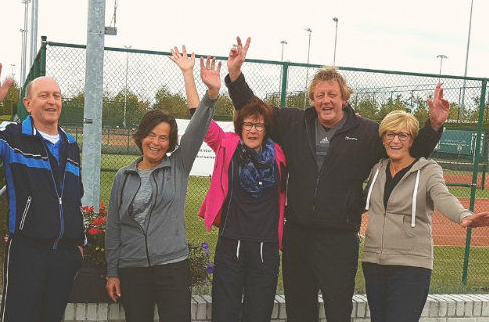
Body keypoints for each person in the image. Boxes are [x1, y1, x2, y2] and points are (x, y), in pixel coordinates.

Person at [225, 37, 448, 322]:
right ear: (313, 99)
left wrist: (434, 126)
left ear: (344, 98)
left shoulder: (367, 132)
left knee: (338, 309)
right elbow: (251, 110)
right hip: (297, 234)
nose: (325, 100)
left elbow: (407, 151)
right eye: (319, 94)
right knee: (299, 308)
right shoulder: (294, 122)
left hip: (340, 237)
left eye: (332, 94)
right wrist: (235, 75)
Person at [170, 45, 287, 322]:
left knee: (258, 314)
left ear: (266, 129)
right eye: (248, 124)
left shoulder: (281, 154)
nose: (253, 129)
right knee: (224, 312)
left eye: (259, 125)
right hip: (231, 242)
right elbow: (199, 119)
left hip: (266, 246)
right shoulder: (227, 144)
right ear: (240, 126)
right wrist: (191, 76)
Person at [104, 46, 218, 322]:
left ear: (171, 143)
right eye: (151, 135)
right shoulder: (123, 176)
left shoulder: (177, 166)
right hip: (133, 269)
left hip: (172, 267)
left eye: (163, 137)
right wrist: (113, 272)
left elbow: (199, 125)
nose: (156, 142)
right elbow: (114, 227)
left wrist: (204, 88)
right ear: (142, 137)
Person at [0, 66, 84, 322]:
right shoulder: (13, 136)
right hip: (27, 250)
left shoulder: (70, 144)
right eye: (44, 95)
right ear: (28, 103)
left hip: (65, 254)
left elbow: (74, 196)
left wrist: (79, 243)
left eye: (56, 96)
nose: (52, 101)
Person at [362, 110, 489, 322]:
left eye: (403, 135)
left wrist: (464, 216)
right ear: (383, 138)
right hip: (374, 262)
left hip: (411, 265)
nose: (395, 140)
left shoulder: (429, 170)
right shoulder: (377, 169)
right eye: (389, 134)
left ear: (412, 140)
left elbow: (443, 197)